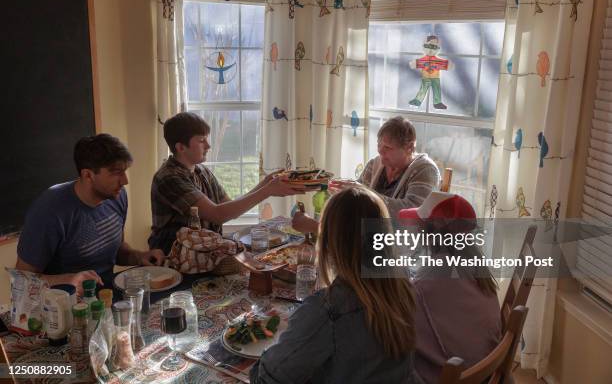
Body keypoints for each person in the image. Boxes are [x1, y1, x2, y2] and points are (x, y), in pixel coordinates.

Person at [250, 187, 422, 384]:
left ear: (328, 242)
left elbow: (266, 379)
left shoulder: (326, 310)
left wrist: (269, 352)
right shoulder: (403, 285)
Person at [16, 134, 165, 294]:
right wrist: (69, 280)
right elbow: (21, 279)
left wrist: (140, 256)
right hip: (62, 306)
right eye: (116, 173)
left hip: (106, 297)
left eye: (125, 171)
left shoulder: (117, 195)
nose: (124, 181)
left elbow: (117, 251)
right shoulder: (50, 210)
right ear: (88, 175)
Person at [149, 112, 305, 254]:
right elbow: (218, 215)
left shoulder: (201, 171)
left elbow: (230, 207)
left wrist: (265, 183)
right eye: (202, 140)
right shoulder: (169, 178)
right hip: (175, 258)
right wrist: (267, 191)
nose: (208, 146)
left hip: (204, 254)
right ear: (181, 147)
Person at [399, 192, 501, 384]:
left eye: (419, 227)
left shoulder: (425, 285)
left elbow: (400, 329)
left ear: (429, 233)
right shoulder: (475, 264)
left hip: (454, 376)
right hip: (485, 369)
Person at [292, 116, 440, 234]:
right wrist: (339, 193)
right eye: (379, 145)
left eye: (388, 147)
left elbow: (411, 214)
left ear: (409, 148)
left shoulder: (425, 170)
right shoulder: (375, 164)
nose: (381, 152)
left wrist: (363, 192)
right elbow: (357, 205)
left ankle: (318, 230)